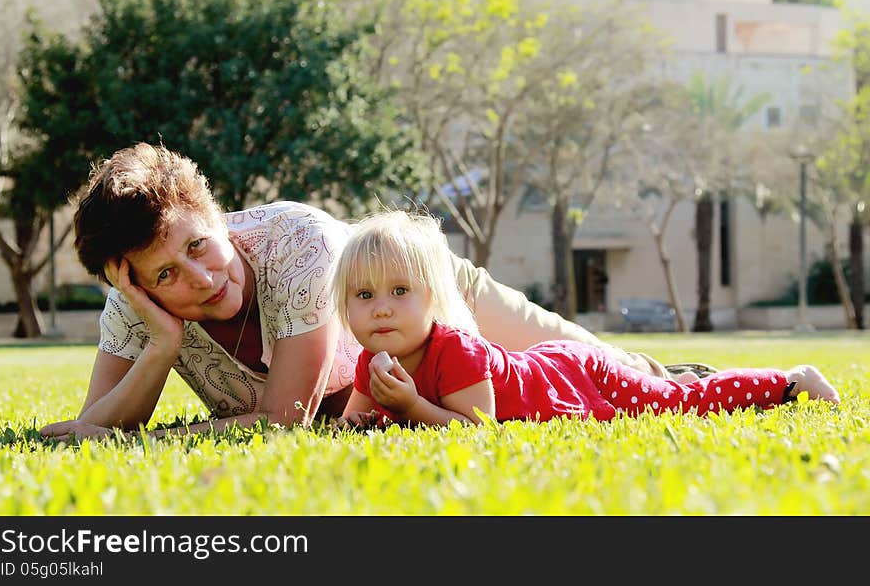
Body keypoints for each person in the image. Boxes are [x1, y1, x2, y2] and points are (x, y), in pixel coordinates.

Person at [39, 143, 701, 441]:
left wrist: (152, 439)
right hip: (376, 386)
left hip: (419, 289)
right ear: (130, 284)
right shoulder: (134, 309)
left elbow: (283, 421)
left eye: (198, 246)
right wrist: (160, 347)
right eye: (164, 278)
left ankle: (706, 380)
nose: (203, 279)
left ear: (217, 214)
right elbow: (93, 426)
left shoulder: (296, 244)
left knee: (614, 371)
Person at [332, 210, 840, 429]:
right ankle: (673, 374)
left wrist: (410, 404)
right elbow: (352, 422)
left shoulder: (456, 350)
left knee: (680, 404)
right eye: (364, 294)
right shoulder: (372, 361)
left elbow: (475, 430)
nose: (381, 307)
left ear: (433, 298)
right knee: (666, 391)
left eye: (400, 292)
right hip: (545, 364)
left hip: (574, 375)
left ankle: (792, 382)